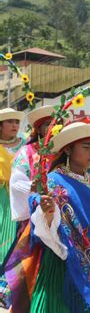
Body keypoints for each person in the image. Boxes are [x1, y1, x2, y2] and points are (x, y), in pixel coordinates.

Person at [3, 122, 90, 312]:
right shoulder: (52, 181)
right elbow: (43, 226)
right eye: (86, 147)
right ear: (69, 149)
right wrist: (46, 214)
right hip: (61, 260)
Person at [0, 108, 25, 308]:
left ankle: (10, 286)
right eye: (10, 122)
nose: (15, 126)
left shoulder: (26, 146)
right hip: (1, 197)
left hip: (19, 196)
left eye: (17, 122)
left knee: (19, 239)